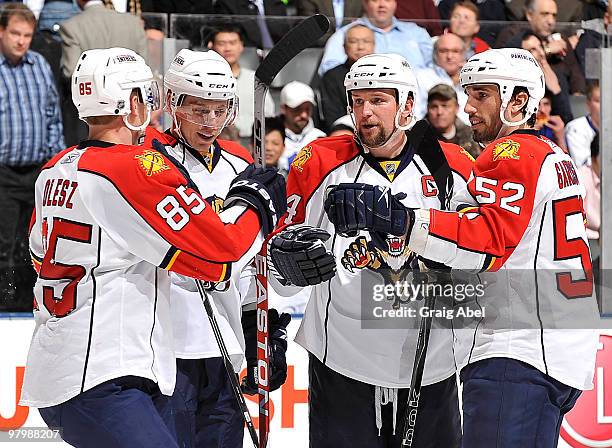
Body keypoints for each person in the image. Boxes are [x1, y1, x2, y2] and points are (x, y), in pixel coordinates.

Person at [325, 48, 599, 447]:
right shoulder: (553, 154)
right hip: (552, 348)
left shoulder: (512, 152)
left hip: (516, 351)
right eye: (468, 93)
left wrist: (402, 218)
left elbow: (486, 244)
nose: (468, 106)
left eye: (482, 95)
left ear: (518, 100)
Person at [19, 47, 287, 448]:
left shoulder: (55, 169)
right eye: (145, 95)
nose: (152, 106)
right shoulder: (133, 167)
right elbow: (222, 257)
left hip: (57, 367)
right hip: (105, 373)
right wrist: (253, 204)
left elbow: (39, 254)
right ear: (129, 102)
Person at [267, 53, 472, 447]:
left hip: (431, 364)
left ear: (408, 105)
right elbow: (282, 268)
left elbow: (481, 256)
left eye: (378, 100)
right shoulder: (320, 162)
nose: (366, 112)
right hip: (344, 364)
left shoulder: (454, 168)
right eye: (357, 101)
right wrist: (287, 265)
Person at [144, 48, 291, 447]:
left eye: (220, 110)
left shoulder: (241, 165)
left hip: (226, 348)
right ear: (173, 104)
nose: (211, 122)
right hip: (164, 348)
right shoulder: (148, 162)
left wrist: (257, 325)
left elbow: (252, 256)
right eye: (198, 110)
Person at [0, 3, 64, 312]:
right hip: (3, 172)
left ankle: (29, 304)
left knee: (36, 244)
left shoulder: (39, 63)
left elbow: (53, 115)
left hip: (38, 172)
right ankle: (5, 306)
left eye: (26, 34)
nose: (21, 41)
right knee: (3, 245)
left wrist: (55, 164)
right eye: (15, 33)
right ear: (1, 32)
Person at [318, 0, 433, 76]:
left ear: (395, 3)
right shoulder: (345, 34)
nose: (382, 5)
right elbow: (329, 71)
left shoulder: (417, 33)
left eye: (387, 0)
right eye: (375, 0)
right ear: (365, 4)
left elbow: (435, 68)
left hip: (417, 99)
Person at [208, 25, 275, 142]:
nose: (228, 48)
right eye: (222, 43)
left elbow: (268, 114)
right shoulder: (205, 80)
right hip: (218, 142)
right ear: (211, 46)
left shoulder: (256, 78)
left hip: (254, 142)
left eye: (233, 43)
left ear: (241, 46)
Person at [320, 23, 375, 131]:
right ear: (344, 47)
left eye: (366, 41)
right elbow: (333, 117)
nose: (360, 47)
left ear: (374, 45)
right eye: (354, 42)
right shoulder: (331, 76)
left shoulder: (387, 74)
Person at [414, 32, 469, 124]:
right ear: (435, 54)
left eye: (455, 51)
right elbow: (416, 115)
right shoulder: (421, 77)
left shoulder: (472, 79)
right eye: (443, 51)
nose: (449, 56)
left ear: (464, 54)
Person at [278, 81, 326, 172]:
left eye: (308, 109)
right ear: (283, 108)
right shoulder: (270, 137)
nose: (304, 115)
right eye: (297, 109)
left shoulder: (321, 138)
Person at [426, 84, 480, 158]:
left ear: (456, 108)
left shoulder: (471, 135)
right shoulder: (419, 137)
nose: (439, 112)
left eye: (445, 106)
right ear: (427, 109)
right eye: (434, 107)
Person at [565, 80, 600, 168]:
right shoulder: (575, 128)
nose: (604, 105)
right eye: (598, 101)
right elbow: (584, 165)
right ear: (588, 104)